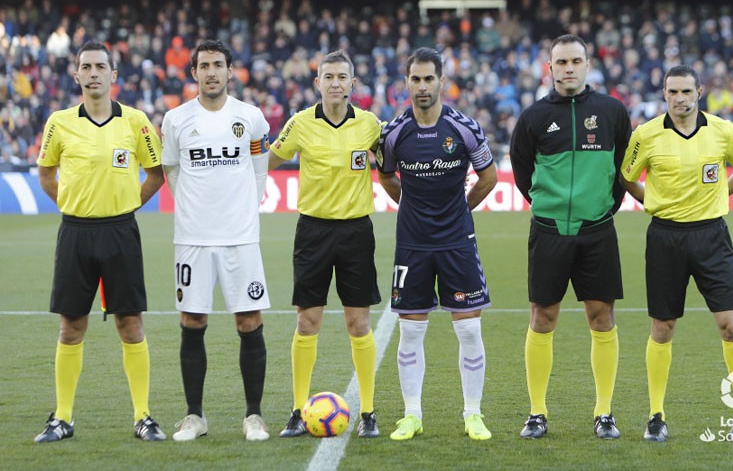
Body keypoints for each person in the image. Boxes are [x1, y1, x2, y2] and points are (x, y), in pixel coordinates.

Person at [34, 41, 166, 443]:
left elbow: (156, 175)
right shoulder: (58, 122)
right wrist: (74, 206)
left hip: (121, 232)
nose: (93, 73)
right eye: (86, 67)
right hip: (74, 233)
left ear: (113, 75)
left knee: (130, 324)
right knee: (71, 326)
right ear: (76, 75)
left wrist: (126, 206)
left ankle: (143, 416)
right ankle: (63, 418)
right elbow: (46, 175)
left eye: (100, 67)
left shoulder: (137, 122)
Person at [620, 65, 733, 442]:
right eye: (672, 92)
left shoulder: (723, 131)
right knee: (662, 328)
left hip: (712, 237)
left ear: (699, 92)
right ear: (664, 94)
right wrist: (654, 201)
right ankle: (656, 415)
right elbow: (627, 176)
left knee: (730, 324)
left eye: (686, 91)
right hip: (665, 238)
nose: (679, 98)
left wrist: (719, 194)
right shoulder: (645, 135)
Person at [509, 34, 632, 440]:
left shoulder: (612, 112)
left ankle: (604, 413)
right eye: (560, 62)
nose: (568, 68)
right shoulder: (532, 118)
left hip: (597, 232)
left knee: (602, 317)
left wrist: (603, 208)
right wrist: (549, 205)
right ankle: (537, 412)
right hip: (548, 232)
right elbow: (524, 172)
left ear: (587, 64)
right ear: (549, 68)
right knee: (543, 318)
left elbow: (623, 169)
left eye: (575, 61)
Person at [376, 47, 497, 441]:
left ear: (442, 82)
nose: (423, 86)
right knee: (411, 331)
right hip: (412, 243)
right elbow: (387, 177)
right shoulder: (394, 134)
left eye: (430, 79)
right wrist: (411, 205)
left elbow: (489, 176)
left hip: (456, 241)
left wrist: (460, 208)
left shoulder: (464, 127)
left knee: (468, 332)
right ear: (406, 82)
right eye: (416, 79)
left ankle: (473, 414)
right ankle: (412, 415)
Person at [161, 40, 272, 442]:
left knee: (249, 321)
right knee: (192, 321)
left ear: (230, 71)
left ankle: (254, 417)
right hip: (192, 238)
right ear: (194, 73)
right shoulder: (175, 120)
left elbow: (260, 166)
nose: (211, 72)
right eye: (204, 65)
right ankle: (195, 417)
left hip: (240, 237)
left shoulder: (251, 117)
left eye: (218, 65)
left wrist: (245, 206)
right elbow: (172, 171)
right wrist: (196, 210)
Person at [268, 50, 382, 438]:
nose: (335, 83)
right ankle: (299, 411)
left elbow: (390, 163)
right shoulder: (299, 123)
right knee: (307, 321)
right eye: (328, 76)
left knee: (358, 322)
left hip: (355, 232)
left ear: (353, 84)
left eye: (342, 77)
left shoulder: (370, 125)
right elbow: (267, 161)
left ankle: (368, 412)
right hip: (313, 231)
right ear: (317, 83)